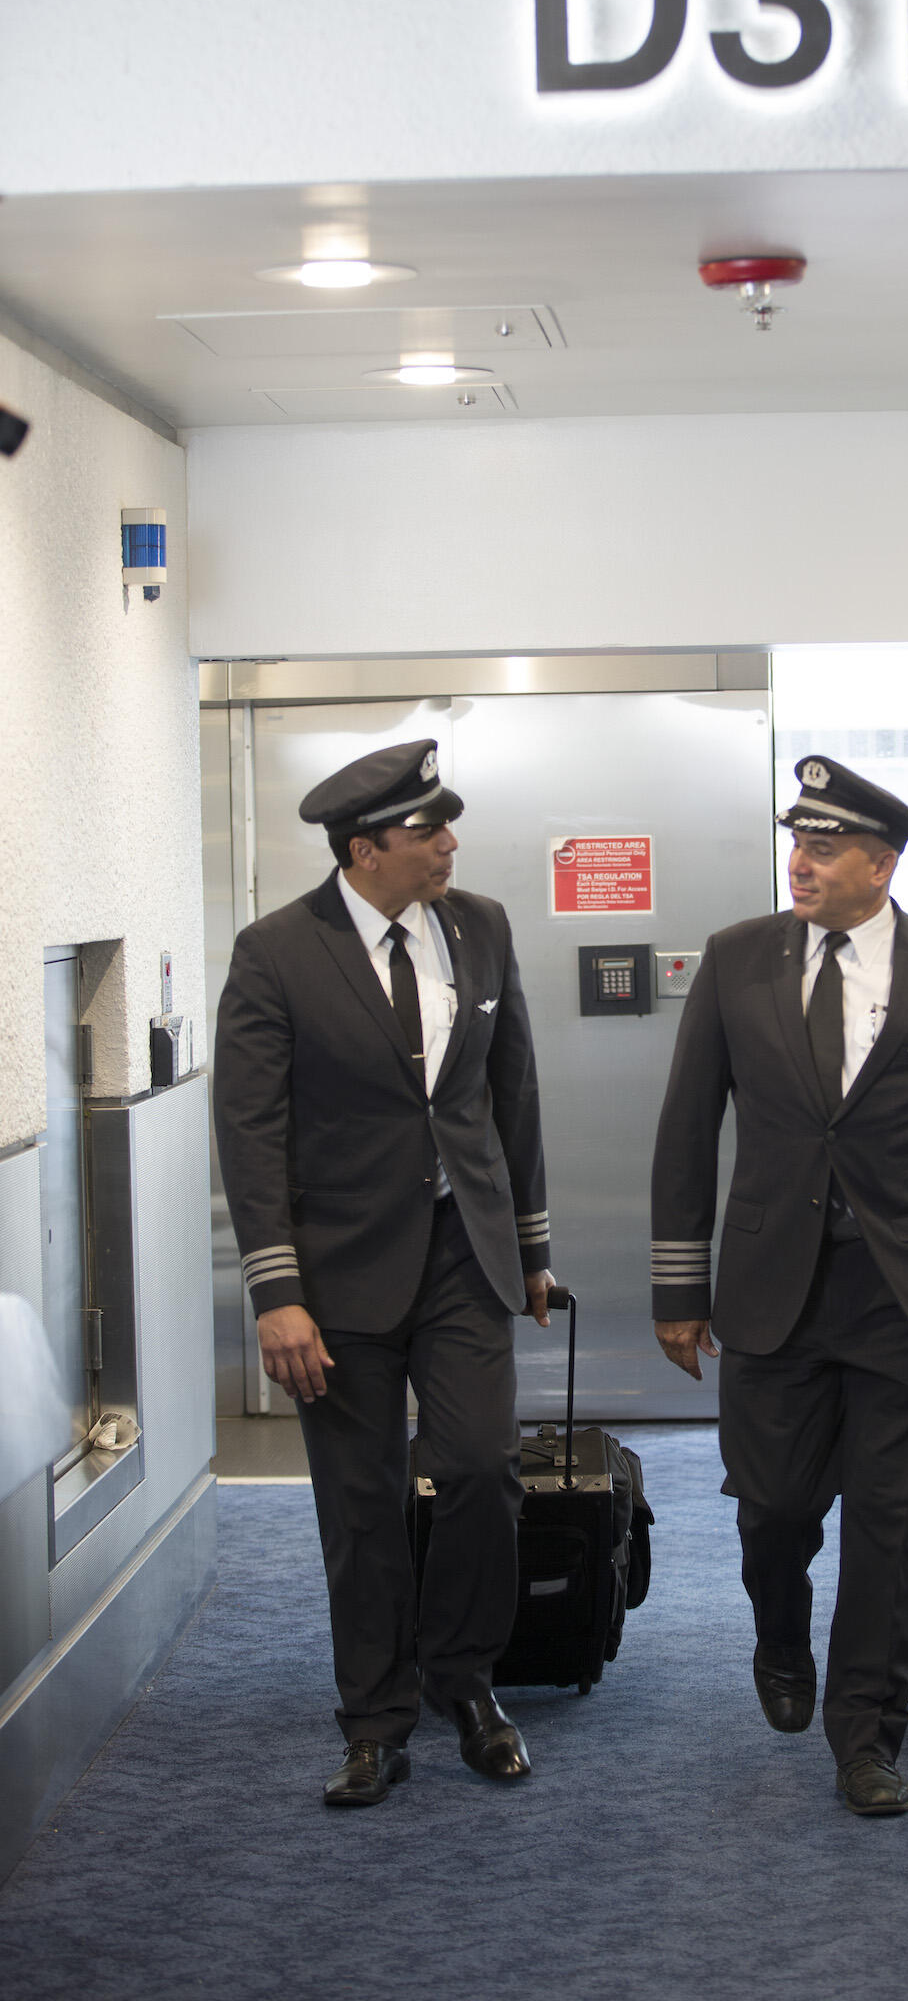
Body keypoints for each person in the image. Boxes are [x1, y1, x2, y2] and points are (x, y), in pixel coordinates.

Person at [651, 755, 908, 1818]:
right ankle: (779, 1630)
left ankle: (867, 1736)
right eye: (796, 846)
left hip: (902, 1296)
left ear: (882, 864)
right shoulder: (740, 961)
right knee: (776, 1507)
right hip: (769, 1291)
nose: (801, 864)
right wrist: (676, 1286)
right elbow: (688, 1127)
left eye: (823, 850)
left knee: (888, 1522)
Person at [213, 738, 556, 1808]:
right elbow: (249, 1129)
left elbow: (513, 1095)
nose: (448, 845)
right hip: (337, 1279)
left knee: (482, 1474)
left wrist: (533, 1247)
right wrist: (276, 1293)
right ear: (366, 849)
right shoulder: (277, 951)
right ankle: (374, 1719)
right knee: (359, 1504)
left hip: (465, 1255)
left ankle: (466, 1683)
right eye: (427, 832)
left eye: (447, 828)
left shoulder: (482, 928)